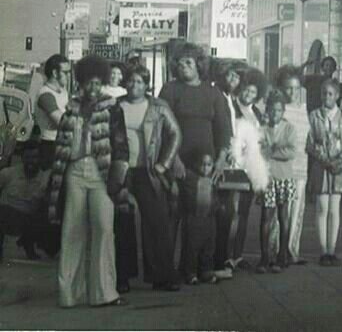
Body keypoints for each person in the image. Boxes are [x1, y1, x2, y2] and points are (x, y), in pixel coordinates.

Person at [48, 55, 129, 308]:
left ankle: (104, 293)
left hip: (101, 174)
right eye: (88, 84)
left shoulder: (113, 108)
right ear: (81, 83)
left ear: (103, 82)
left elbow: (121, 147)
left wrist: (118, 180)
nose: (93, 88)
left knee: (105, 229)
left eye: (97, 83)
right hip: (74, 172)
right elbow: (60, 144)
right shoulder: (71, 108)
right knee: (72, 231)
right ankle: (69, 294)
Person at [158, 43, 232, 276]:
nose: (183, 67)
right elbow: (161, 129)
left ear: (199, 64)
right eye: (179, 63)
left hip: (205, 168)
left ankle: (194, 268)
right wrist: (173, 160)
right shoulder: (169, 90)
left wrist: (221, 160)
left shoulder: (214, 94)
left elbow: (224, 131)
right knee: (172, 216)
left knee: (200, 218)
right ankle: (167, 270)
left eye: (188, 62)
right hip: (176, 164)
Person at [116, 65, 182, 292]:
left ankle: (161, 276)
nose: (135, 86)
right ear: (125, 83)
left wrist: (163, 164)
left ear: (147, 85)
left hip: (149, 172)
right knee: (122, 222)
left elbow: (175, 133)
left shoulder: (158, 107)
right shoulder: (117, 106)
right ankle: (122, 277)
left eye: (140, 82)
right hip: (123, 170)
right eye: (131, 81)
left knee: (157, 223)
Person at [306, 79, 342, 266]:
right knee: (322, 208)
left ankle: (332, 250)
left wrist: (339, 160)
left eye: (330, 93)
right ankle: (323, 250)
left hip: (339, 167)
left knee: (334, 209)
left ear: (337, 95)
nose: (327, 97)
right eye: (324, 93)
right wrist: (323, 159)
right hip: (320, 166)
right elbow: (309, 143)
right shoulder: (314, 115)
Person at [227, 68, 269, 270]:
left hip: (251, 169)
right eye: (246, 90)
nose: (248, 95)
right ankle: (225, 254)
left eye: (253, 92)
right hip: (234, 166)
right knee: (231, 212)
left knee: (244, 213)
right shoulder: (230, 107)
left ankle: (238, 255)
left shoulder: (257, 113)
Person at [257, 90, 296, 273]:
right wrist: (274, 149)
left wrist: (271, 150)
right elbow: (259, 151)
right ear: (268, 110)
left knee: (283, 215)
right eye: (272, 110)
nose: (275, 114)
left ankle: (282, 255)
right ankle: (265, 257)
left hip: (284, 176)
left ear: (283, 111)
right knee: (266, 216)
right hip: (268, 177)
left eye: (279, 110)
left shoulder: (289, 129)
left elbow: (291, 151)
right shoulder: (262, 129)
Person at [275, 65, 310, 265]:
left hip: (301, 166)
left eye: (296, 88)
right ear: (280, 88)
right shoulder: (277, 109)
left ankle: (291, 250)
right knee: (280, 212)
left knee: (297, 210)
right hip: (281, 167)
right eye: (288, 88)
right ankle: (275, 251)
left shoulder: (304, 109)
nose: (292, 92)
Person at [212, 60, 242, 279]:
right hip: (219, 159)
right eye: (230, 76)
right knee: (220, 212)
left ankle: (222, 258)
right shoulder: (217, 96)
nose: (233, 80)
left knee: (228, 212)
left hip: (231, 160)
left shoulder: (231, 99)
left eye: (237, 77)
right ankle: (216, 260)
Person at [0, 143, 51, 261]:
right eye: (27, 158)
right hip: (5, 215)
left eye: (34, 158)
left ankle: (29, 245)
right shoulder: (8, 173)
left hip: (29, 219)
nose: (31, 161)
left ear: (40, 159)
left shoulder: (44, 178)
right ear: (22, 158)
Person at [181, 153, 220, 285]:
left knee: (209, 247)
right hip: (194, 218)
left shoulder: (215, 178)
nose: (205, 168)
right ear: (197, 164)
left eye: (209, 165)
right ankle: (190, 272)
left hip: (210, 219)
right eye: (202, 164)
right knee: (192, 247)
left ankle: (206, 271)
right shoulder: (190, 177)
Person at [34, 54, 71, 170]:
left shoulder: (63, 91)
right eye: (66, 72)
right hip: (48, 146)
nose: (69, 76)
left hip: (62, 144)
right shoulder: (45, 95)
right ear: (55, 73)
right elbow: (62, 121)